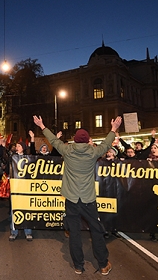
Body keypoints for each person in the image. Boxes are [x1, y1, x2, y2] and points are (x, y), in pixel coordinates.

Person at [33, 114, 122, 276]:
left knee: (74, 233)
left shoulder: (67, 150)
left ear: (75, 139)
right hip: (88, 199)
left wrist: (42, 126)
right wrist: (113, 129)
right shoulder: (93, 152)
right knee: (96, 230)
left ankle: (78, 266)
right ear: (88, 140)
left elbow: (53, 141)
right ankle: (103, 264)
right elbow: (106, 144)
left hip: (72, 199)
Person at [9, 139, 34, 242]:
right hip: (15, 186)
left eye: (19, 146)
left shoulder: (28, 158)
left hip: (26, 186)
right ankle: (14, 231)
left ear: (23, 148)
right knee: (14, 210)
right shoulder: (12, 157)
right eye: (16, 146)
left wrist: (32, 140)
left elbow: (33, 152)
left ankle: (28, 231)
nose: (17, 147)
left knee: (27, 209)